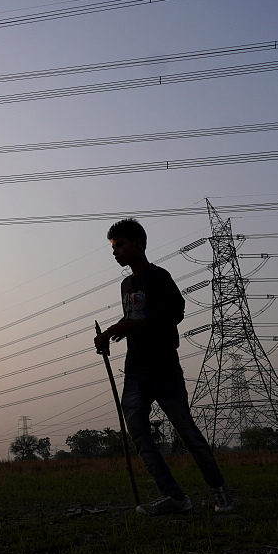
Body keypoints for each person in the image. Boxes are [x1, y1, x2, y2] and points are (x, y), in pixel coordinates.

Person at [94, 219, 235, 516]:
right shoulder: (126, 284)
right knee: (139, 435)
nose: (115, 252)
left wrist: (132, 324)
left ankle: (221, 494)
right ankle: (175, 497)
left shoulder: (159, 277)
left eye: (120, 245)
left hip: (163, 368)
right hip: (134, 371)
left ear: (138, 243)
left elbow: (175, 312)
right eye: (112, 247)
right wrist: (109, 335)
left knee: (186, 431)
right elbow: (132, 320)